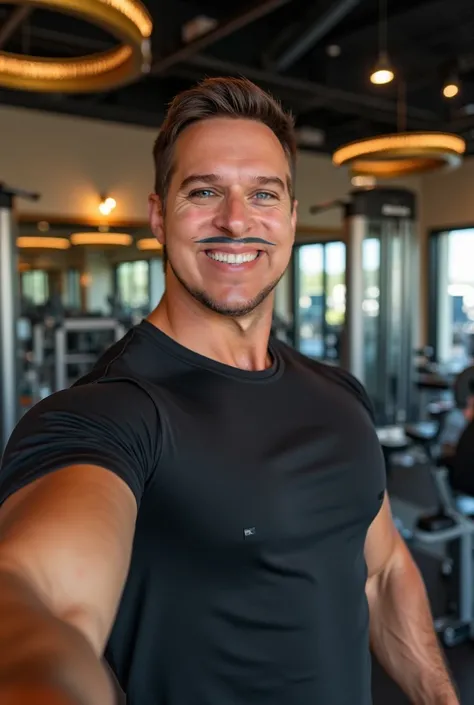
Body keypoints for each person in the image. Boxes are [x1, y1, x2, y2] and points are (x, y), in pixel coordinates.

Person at [0, 77, 458, 705]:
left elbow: (380, 573)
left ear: (292, 220)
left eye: (263, 194)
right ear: (159, 214)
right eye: (205, 191)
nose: (236, 219)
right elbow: (43, 600)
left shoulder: (339, 395)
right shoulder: (108, 414)